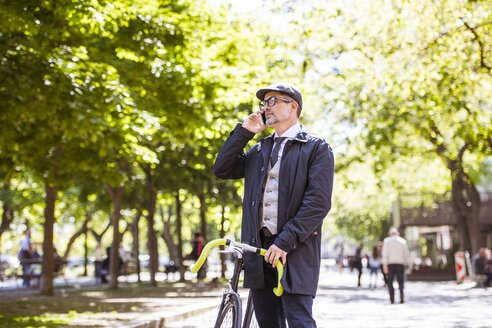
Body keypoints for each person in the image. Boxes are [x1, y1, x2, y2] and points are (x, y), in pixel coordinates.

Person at [213, 82, 334, 328]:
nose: (265, 108)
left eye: (272, 101)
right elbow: (222, 169)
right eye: (263, 103)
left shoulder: (316, 148)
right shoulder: (258, 150)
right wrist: (244, 132)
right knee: (267, 322)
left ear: (293, 107)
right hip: (258, 250)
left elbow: (318, 203)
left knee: (299, 321)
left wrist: (284, 242)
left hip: (295, 250)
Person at [382, 227, 409, 304]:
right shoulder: (403, 241)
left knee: (390, 282)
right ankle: (401, 295)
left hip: (390, 265)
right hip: (400, 264)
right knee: (401, 281)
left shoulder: (387, 241)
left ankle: (392, 298)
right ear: (398, 233)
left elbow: (385, 254)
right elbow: (406, 254)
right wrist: (406, 263)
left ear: (390, 234)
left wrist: (384, 265)